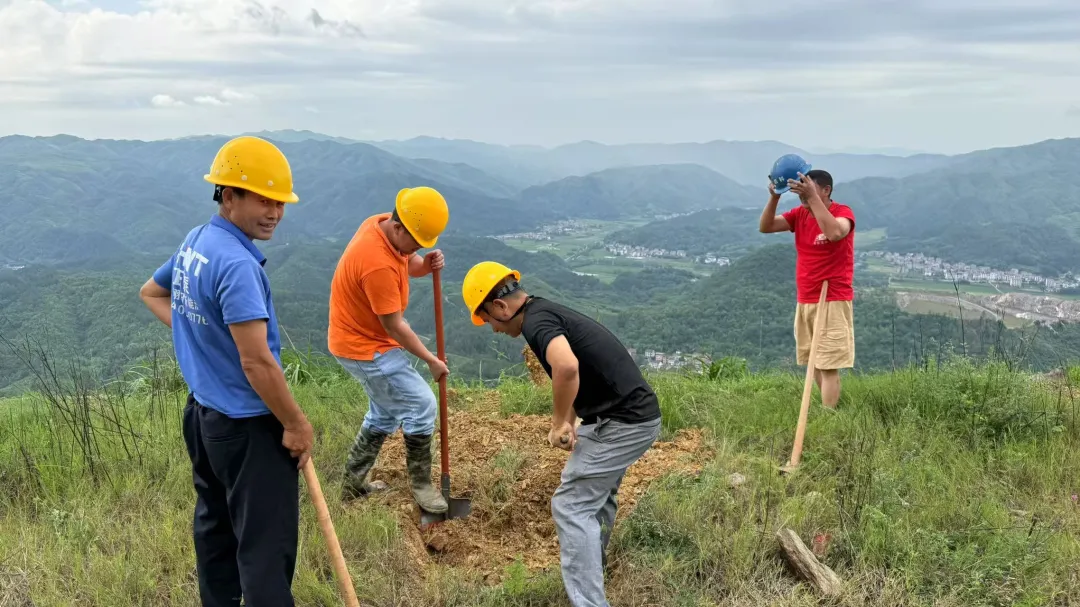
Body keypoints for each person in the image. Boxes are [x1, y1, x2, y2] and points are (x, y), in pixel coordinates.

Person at [138, 135, 313, 607]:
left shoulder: (197, 241)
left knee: (215, 532)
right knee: (264, 552)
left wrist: (205, 337)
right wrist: (296, 424)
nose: (274, 213)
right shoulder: (237, 264)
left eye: (279, 202)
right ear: (228, 196)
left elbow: (152, 293)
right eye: (263, 200)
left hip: (203, 420)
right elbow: (257, 362)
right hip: (248, 428)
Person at [460, 261, 662, 607]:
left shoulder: (536, 323)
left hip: (623, 422)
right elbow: (574, 372)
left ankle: (589, 601)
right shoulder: (543, 311)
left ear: (500, 306)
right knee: (596, 497)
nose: (492, 329)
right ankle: (594, 569)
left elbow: (566, 367)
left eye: (487, 319)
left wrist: (556, 423)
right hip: (632, 415)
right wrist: (569, 420)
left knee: (570, 506)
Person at [327, 186, 451, 514]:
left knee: (383, 412)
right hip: (364, 346)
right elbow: (394, 326)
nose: (419, 249)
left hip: (362, 338)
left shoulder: (382, 224)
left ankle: (352, 484)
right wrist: (431, 360)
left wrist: (425, 264)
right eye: (417, 243)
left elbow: (407, 260)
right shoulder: (376, 263)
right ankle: (422, 486)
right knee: (422, 405)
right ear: (398, 228)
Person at [759, 165, 855, 409]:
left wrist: (812, 198)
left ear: (826, 190)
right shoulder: (800, 214)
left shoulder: (842, 213)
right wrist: (775, 197)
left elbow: (835, 233)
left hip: (832, 297)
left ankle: (829, 415)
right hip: (806, 298)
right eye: (801, 190)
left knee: (828, 364)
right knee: (814, 362)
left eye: (808, 188)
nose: (802, 194)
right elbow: (766, 226)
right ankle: (827, 409)